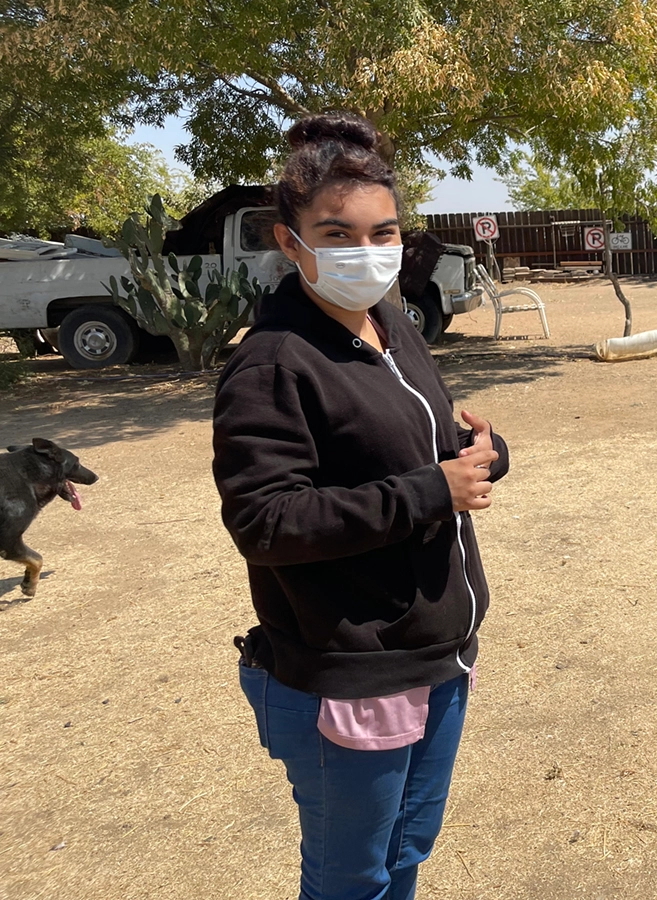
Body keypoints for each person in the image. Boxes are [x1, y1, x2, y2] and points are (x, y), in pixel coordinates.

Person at [212, 111, 509, 900]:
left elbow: (424, 443)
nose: (367, 252)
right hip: (350, 672)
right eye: (337, 233)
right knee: (351, 881)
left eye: (385, 232)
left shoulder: (391, 326)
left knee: (405, 855)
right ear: (290, 241)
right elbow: (264, 520)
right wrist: (427, 491)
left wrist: (481, 456)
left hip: (434, 655)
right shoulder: (273, 362)